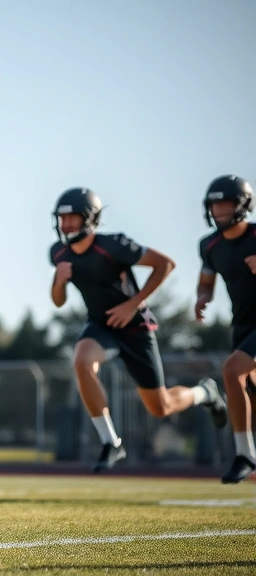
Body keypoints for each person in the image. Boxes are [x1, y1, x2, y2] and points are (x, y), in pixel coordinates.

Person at [49, 187, 226, 473]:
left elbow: (165, 264)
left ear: (90, 219)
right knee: (82, 360)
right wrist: (58, 281)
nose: (66, 224)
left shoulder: (112, 245)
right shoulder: (57, 252)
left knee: (161, 406)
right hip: (101, 326)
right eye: (62, 218)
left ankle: (204, 393)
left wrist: (133, 304)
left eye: (73, 218)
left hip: (135, 328)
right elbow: (58, 301)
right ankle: (111, 442)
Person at [195, 174, 256, 483]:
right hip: (243, 324)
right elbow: (206, 282)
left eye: (225, 205)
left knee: (232, 371)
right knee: (248, 390)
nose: (219, 212)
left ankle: (245, 455)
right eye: (215, 206)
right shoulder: (209, 245)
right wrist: (202, 299)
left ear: (243, 205)